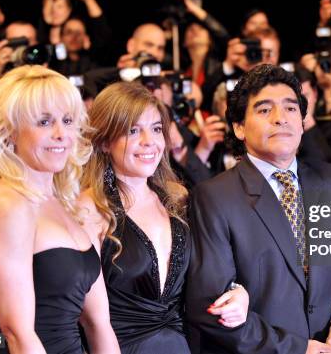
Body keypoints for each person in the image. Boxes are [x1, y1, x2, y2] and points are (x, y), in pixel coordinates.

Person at [186, 64, 331, 354]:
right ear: (238, 127)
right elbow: (213, 305)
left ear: (303, 121)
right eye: (264, 110)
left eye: (291, 109)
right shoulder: (214, 197)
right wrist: (299, 349)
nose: (281, 119)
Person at [77, 81, 250, 353]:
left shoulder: (177, 198)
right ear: (105, 141)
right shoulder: (90, 210)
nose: (149, 142)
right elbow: (93, 321)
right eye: (133, 130)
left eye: (156, 129)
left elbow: (209, 272)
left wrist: (238, 292)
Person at [0, 65, 119, 353]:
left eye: (68, 120)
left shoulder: (66, 203)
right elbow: (17, 334)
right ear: (10, 132)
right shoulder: (7, 204)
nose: (62, 134)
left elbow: (99, 323)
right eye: (44, 122)